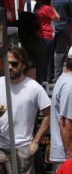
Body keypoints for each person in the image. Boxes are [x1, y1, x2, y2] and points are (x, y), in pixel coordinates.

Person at [0, 46, 51, 174]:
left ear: (23, 65)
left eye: (14, 63)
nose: (10, 67)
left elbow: (48, 115)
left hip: (22, 149)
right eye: (7, 63)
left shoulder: (34, 88)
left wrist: (36, 142)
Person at [34, 0, 60, 83]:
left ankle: (41, 80)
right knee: (46, 61)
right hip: (47, 35)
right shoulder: (47, 8)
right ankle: (44, 82)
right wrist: (52, 6)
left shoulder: (38, 7)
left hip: (39, 35)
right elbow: (57, 18)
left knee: (41, 60)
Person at [50, 0, 72, 83]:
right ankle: (57, 75)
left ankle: (49, 75)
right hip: (62, 27)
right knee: (60, 52)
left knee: (50, 52)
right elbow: (71, 13)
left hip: (50, 28)